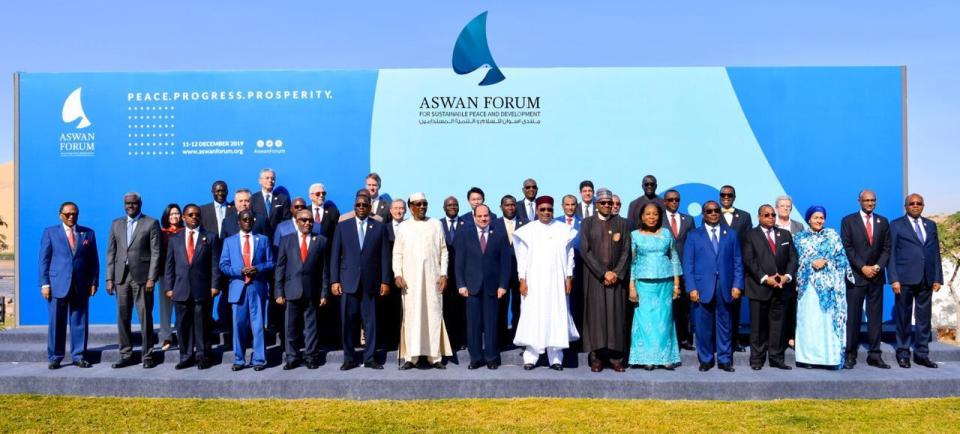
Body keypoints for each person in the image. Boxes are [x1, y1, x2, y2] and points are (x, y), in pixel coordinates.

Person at [512, 196, 580, 370]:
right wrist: (522, 279)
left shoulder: (564, 229)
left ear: (553, 210)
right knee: (534, 315)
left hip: (557, 281)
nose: (546, 212)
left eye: (549, 209)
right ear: (537, 210)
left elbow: (570, 255)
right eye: (542, 209)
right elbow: (522, 258)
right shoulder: (528, 230)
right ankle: (531, 357)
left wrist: (569, 277)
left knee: (555, 316)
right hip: (534, 282)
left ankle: (555, 358)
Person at [330, 191, 392, 370]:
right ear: (354, 207)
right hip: (348, 282)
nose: (362, 208)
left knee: (371, 322)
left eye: (365, 205)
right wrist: (334, 280)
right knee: (348, 323)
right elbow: (335, 256)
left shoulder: (379, 227)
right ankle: (349, 358)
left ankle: (370, 358)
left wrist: (385, 281)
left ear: (370, 207)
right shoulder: (343, 226)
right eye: (358, 205)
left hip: (371, 283)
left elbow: (384, 258)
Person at [683, 201, 744, 372]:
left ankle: (725, 360)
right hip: (702, 288)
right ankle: (706, 359)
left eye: (716, 210)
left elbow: (738, 262)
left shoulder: (731, 234)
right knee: (703, 327)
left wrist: (737, 285)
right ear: (703, 214)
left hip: (725, 287)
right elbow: (688, 265)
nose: (713, 213)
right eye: (709, 211)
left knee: (725, 325)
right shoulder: (694, 235)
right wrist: (691, 288)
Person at [393, 193, 452, 369]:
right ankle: (412, 357)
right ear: (410, 207)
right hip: (410, 282)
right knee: (412, 317)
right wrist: (398, 274)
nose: (422, 207)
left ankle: (435, 357)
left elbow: (444, 251)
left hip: (433, 279)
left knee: (433, 315)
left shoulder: (435, 224)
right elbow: (397, 253)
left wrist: (443, 274)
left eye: (424, 204)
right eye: (418, 204)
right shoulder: (404, 227)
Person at [39, 202, 99, 369]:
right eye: (67, 214)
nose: (71, 216)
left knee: (79, 321)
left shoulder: (88, 233)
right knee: (56, 322)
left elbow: (93, 260)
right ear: (60, 215)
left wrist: (94, 281)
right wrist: (44, 283)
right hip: (57, 284)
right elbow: (44, 260)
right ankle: (55, 357)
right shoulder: (50, 232)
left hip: (81, 284)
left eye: (74, 213)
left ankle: (78, 355)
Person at [106, 192, 161, 369]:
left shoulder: (151, 223)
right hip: (121, 278)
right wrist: (109, 278)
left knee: (145, 317)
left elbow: (156, 253)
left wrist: (152, 277)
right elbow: (111, 253)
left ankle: (147, 355)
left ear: (140, 203)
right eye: (127, 203)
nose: (130, 206)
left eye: (133, 203)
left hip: (143, 278)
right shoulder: (116, 224)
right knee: (123, 317)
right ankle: (126, 354)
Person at [888, 193, 943, 369]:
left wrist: (937, 277)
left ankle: (921, 354)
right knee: (903, 318)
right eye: (912, 203)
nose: (915, 206)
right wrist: (894, 278)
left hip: (926, 279)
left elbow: (935, 253)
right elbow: (892, 255)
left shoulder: (931, 225)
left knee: (923, 319)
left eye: (919, 203)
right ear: (906, 206)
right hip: (904, 279)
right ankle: (903, 353)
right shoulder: (896, 225)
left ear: (923, 206)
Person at [579, 189, 631, 372]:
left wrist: (616, 273)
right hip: (595, 279)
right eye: (603, 203)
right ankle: (597, 357)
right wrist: (603, 273)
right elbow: (585, 251)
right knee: (596, 317)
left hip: (617, 279)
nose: (607, 206)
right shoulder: (587, 223)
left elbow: (626, 250)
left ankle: (616, 358)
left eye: (610, 203)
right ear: (596, 204)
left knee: (616, 317)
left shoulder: (623, 223)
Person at [163, 204, 220, 370]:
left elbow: (214, 264)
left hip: (202, 289)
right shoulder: (175, 239)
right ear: (184, 218)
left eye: (197, 215)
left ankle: (203, 355)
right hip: (180, 289)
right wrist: (169, 287)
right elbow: (169, 266)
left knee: (202, 324)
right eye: (190, 215)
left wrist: (214, 285)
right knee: (183, 325)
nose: (194, 217)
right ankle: (186, 356)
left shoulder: (210, 237)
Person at [794, 206, 851, 369]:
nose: (819, 220)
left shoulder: (832, 236)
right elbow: (794, 260)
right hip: (808, 287)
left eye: (821, 218)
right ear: (808, 219)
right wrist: (810, 262)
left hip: (829, 288)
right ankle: (808, 359)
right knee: (809, 321)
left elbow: (842, 260)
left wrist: (826, 261)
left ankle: (829, 359)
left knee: (826, 322)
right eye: (815, 217)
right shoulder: (799, 238)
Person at [741, 204, 797, 370]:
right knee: (758, 327)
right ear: (759, 217)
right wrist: (766, 279)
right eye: (767, 215)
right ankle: (757, 360)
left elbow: (793, 258)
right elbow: (749, 261)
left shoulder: (785, 234)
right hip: (759, 288)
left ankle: (776, 358)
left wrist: (786, 277)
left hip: (781, 288)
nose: (771, 217)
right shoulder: (750, 235)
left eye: (773, 214)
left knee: (778, 327)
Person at [455, 204, 511, 369]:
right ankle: (476, 358)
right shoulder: (465, 235)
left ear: (490, 216)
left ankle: (492, 357)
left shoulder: (500, 235)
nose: (483, 219)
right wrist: (461, 284)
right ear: (474, 217)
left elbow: (505, 264)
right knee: (473, 325)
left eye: (485, 216)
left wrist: (503, 285)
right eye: (479, 216)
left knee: (491, 324)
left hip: (493, 288)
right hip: (471, 287)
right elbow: (459, 263)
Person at [840, 189, 891, 369]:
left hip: (876, 277)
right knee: (853, 317)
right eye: (866, 200)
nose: (870, 203)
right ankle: (850, 354)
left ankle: (875, 355)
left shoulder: (883, 221)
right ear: (859, 200)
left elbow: (887, 248)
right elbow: (847, 247)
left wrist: (876, 267)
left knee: (875, 317)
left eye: (873, 200)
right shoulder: (848, 221)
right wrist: (863, 267)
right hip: (857, 276)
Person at [627, 202, 681, 370]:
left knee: (664, 320)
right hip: (643, 283)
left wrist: (677, 284)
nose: (651, 217)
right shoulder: (634, 235)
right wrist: (631, 287)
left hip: (665, 282)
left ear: (660, 217)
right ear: (642, 216)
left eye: (655, 214)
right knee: (645, 321)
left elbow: (674, 257)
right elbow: (632, 262)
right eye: (648, 214)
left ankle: (665, 358)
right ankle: (647, 358)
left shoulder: (666, 234)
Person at [274, 209, 330, 370]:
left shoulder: (321, 241)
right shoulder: (286, 240)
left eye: (310, 220)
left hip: (312, 291)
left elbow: (325, 270)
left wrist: (324, 292)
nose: (307, 223)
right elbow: (280, 268)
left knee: (311, 328)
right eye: (304, 220)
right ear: (297, 221)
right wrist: (278, 292)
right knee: (290, 327)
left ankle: (311, 357)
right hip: (291, 290)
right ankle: (292, 357)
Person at [220, 209, 275, 371]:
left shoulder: (262, 240)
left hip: (257, 287)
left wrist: (257, 268)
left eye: (251, 219)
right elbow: (223, 265)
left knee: (258, 325)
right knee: (238, 325)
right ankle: (239, 359)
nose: (248, 222)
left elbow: (271, 262)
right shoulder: (229, 242)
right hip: (238, 287)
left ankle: (259, 359)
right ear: (239, 222)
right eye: (245, 219)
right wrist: (239, 271)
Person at [216, 188, 265, 331]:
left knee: (256, 316)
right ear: (235, 203)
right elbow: (223, 247)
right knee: (236, 315)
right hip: (235, 277)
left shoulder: (261, 219)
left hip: (257, 278)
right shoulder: (228, 221)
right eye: (240, 201)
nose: (244, 203)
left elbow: (267, 248)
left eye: (247, 200)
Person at [718, 185, 751, 353]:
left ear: (734, 196)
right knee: (718, 306)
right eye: (723, 194)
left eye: (729, 194)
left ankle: (735, 340)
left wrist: (743, 267)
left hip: (737, 268)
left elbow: (748, 244)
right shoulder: (712, 214)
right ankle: (718, 341)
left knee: (735, 307)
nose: (726, 197)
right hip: (718, 269)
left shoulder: (745, 216)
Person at [663, 189, 695, 351]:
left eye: (677, 200)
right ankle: (669, 339)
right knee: (666, 307)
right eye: (670, 200)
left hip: (684, 270)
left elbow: (693, 244)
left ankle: (685, 338)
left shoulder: (688, 220)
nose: (674, 202)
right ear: (664, 202)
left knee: (684, 307)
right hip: (664, 270)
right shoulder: (657, 219)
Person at [774, 194, 803, 349]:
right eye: (782, 206)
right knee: (776, 307)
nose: (785, 209)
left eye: (788, 206)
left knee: (792, 306)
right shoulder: (771, 224)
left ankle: (791, 336)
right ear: (776, 208)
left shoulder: (798, 226)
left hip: (793, 273)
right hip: (774, 273)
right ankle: (775, 338)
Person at [498, 195, 526, 347]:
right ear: (501, 207)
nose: (510, 208)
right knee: (501, 305)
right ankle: (502, 338)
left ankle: (517, 337)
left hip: (518, 271)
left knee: (518, 304)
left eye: (513, 205)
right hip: (500, 272)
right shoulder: (494, 224)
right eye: (507, 205)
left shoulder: (525, 224)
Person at [379, 199, 406, 351]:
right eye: (395, 208)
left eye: (401, 208)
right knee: (389, 309)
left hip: (407, 275)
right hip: (389, 275)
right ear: (390, 211)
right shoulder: (383, 228)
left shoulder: (410, 227)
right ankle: (390, 341)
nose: (398, 211)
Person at [441, 196, 467, 351]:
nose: (452, 207)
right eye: (449, 205)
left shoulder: (467, 224)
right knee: (445, 309)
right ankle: (447, 340)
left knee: (461, 309)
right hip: (443, 274)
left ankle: (461, 339)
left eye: (455, 205)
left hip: (462, 274)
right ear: (444, 207)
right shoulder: (437, 224)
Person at [157, 203, 184, 351]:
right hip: (165, 275)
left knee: (183, 307)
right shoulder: (161, 233)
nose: (175, 216)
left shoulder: (186, 231)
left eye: (177, 213)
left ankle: (183, 336)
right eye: (171, 214)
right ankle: (166, 337)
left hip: (183, 276)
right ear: (167, 216)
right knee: (165, 308)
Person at [250, 168, 292, 240]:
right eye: (267, 178)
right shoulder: (253, 199)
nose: (270, 180)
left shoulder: (282, 199)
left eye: (272, 178)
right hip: (259, 239)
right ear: (260, 181)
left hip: (278, 239)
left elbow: (286, 220)